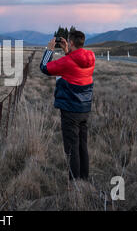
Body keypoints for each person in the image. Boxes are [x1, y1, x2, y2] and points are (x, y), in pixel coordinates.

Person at [39, 31, 96, 181]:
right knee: (82, 146)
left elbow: (44, 68)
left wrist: (49, 50)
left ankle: (75, 186)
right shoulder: (90, 58)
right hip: (84, 108)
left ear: (71, 42)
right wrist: (66, 51)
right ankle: (84, 180)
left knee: (72, 148)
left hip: (70, 111)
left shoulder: (67, 62)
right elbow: (74, 66)